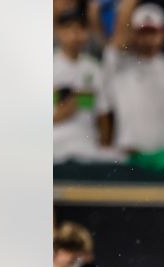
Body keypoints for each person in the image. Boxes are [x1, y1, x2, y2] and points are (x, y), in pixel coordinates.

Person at [97, 1, 164, 155]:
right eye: (143, 32)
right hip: (130, 157)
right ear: (133, 33)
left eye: (153, 31)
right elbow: (119, 35)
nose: (148, 37)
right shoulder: (118, 66)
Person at [54, 13, 120, 163]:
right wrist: (61, 113)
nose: (75, 36)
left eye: (80, 30)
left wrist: (104, 143)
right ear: (58, 32)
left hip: (86, 144)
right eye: (69, 29)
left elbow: (102, 114)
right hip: (54, 143)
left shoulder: (94, 68)